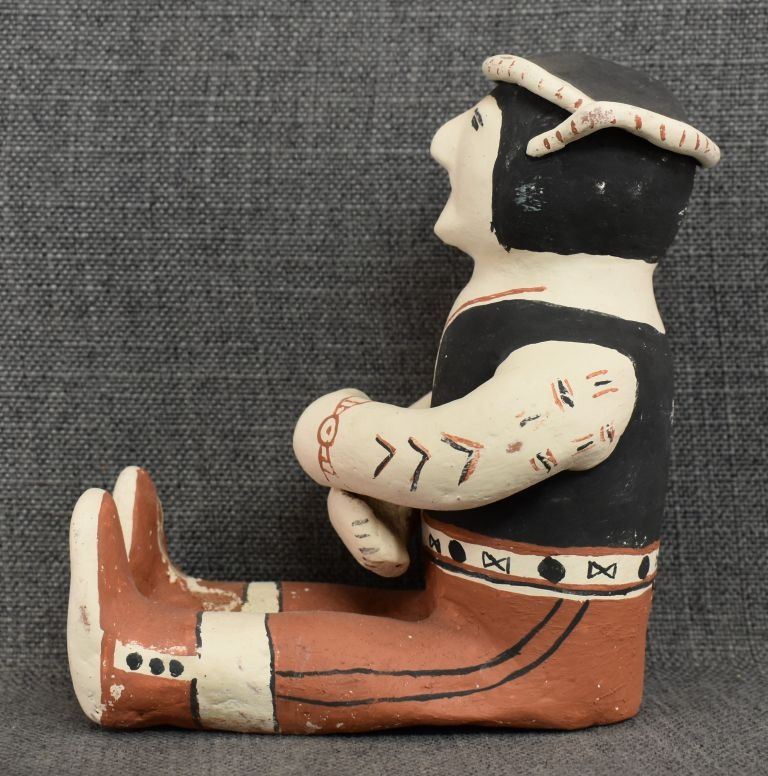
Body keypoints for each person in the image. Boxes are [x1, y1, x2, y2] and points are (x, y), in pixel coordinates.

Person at [68, 52, 720, 734]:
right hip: (473, 601)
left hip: (541, 645)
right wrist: (385, 499)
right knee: (371, 616)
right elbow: (469, 425)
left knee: (360, 658)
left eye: (474, 128)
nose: (442, 143)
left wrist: (331, 431)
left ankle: (142, 659)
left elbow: (457, 457)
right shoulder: (539, 314)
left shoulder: (589, 359)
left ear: (562, 180)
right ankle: (182, 599)